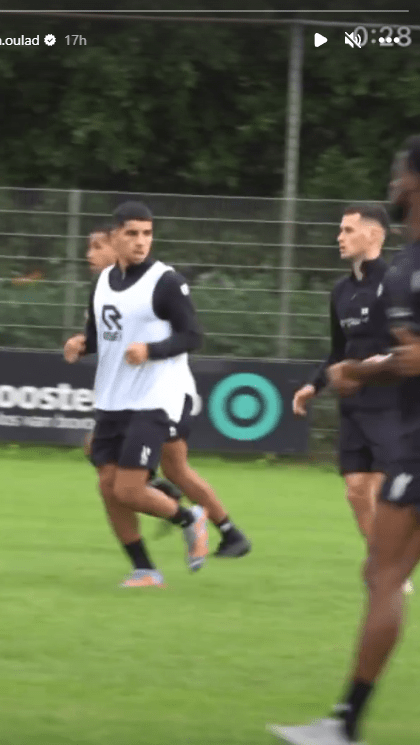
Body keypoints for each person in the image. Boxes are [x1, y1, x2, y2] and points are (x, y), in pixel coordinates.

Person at [268, 135, 420, 745]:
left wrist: (357, 372)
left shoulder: (408, 271)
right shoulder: (366, 282)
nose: (391, 184)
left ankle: (345, 725)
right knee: (378, 570)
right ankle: (344, 722)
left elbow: (413, 361)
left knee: (382, 576)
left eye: (397, 174)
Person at [65, 222, 250, 580]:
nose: (90, 255)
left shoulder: (161, 283)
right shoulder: (104, 288)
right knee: (121, 480)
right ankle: (155, 561)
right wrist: (83, 344)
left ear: (113, 244)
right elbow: (108, 340)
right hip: (120, 400)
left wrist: (150, 351)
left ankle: (203, 521)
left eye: (96, 247)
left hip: (163, 396)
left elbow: (189, 335)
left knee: (155, 476)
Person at [292, 204, 411, 592]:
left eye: (347, 230)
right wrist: (313, 385)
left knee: (384, 489)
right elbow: (337, 352)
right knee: (356, 490)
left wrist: (366, 368)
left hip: (392, 404)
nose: (339, 237)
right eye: (339, 230)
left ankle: (391, 569)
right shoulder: (341, 291)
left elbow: (408, 349)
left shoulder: (395, 284)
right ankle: (385, 561)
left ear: (373, 236)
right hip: (354, 408)